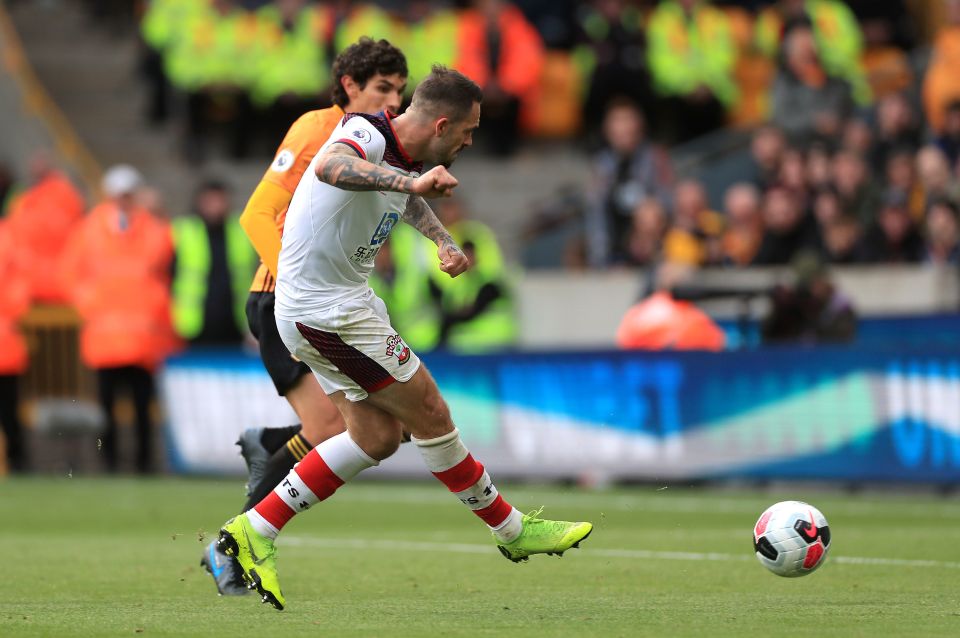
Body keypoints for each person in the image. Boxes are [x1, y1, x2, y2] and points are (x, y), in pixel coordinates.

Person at [216, 66, 593, 611]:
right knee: (432, 416)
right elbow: (331, 165)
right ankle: (510, 530)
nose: (469, 141)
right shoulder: (366, 133)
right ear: (442, 123)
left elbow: (402, 196)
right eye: (467, 131)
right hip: (329, 314)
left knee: (377, 439)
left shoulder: (405, 156)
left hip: (335, 307)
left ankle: (254, 530)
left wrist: (442, 239)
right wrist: (411, 182)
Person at [199, 38, 409, 596]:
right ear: (349, 86)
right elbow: (256, 212)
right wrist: (294, 283)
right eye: (382, 89)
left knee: (367, 430)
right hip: (282, 300)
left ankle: (267, 447)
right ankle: (230, 548)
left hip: (326, 303)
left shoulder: (376, 145)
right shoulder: (319, 129)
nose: (392, 101)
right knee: (331, 431)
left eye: (399, 92)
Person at [59, 165, 177, 474]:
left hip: (141, 338)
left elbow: (163, 260)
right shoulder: (89, 229)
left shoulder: (152, 227)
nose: (124, 200)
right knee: (106, 407)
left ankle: (142, 463)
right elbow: (70, 274)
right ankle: (108, 461)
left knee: (142, 406)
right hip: (106, 338)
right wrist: (90, 305)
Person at [171, 179, 257, 346]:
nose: (215, 206)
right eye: (210, 201)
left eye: (220, 200)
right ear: (199, 202)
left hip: (235, 323)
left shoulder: (241, 230)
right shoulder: (182, 230)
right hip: (193, 325)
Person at [0, 220, 31, 473]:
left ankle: (18, 461)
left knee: (8, 410)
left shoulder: (9, 236)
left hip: (5, 345)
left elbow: (20, 288)